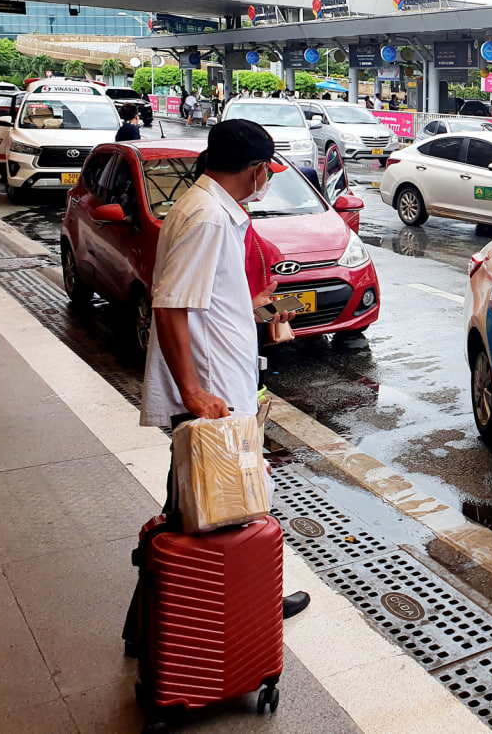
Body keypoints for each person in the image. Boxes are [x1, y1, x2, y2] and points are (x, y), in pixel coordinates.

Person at [138, 119, 309, 621]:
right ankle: (235, 608)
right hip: (213, 397)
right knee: (224, 507)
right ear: (256, 170)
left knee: (198, 506)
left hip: (223, 385)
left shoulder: (208, 209)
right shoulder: (208, 218)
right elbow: (169, 306)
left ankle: (171, 610)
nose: (268, 180)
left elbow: (204, 301)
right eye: (268, 171)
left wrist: (257, 305)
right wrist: (193, 393)